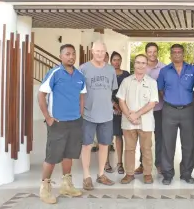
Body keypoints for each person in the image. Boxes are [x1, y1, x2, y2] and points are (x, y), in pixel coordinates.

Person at [37, 44, 85, 204]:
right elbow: (41, 95)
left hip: (75, 122)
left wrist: (81, 114)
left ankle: (66, 185)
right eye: (67, 54)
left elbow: (81, 96)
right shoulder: (54, 73)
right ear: (61, 56)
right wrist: (48, 117)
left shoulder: (79, 76)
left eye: (73, 54)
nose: (71, 57)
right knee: (52, 156)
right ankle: (45, 187)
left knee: (69, 154)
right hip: (58, 123)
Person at [158, 44, 194, 185]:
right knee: (168, 144)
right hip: (169, 110)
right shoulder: (164, 71)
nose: (176, 54)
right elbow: (161, 90)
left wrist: (189, 103)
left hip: (188, 110)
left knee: (188, 144)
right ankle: (167, 174)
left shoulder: (192, 70)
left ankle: (186, 173)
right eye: (174, 52)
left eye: (179, 52)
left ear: (183, 54)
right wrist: (171, 100)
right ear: (170, 55)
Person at [79, 41, 118, 189]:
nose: (100, 54)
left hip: (106, 114)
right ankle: (86, 176)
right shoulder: (83, 69)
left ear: (105, 52)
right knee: (87, 146)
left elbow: (111, 91)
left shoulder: (110, 70)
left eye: (102, 51)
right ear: (92, 51)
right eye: (97, 51)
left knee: (104, 145)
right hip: (88, 114)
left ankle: (101, 174)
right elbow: (79, 92)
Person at [117, 54, 159, 184]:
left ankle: (147, 173)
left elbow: (152, 103)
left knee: (146, 149)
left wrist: (137, 114)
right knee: (129, 149)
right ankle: (129, 174)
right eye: (138, 62)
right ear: (134, 64)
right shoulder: (126, 81)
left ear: (146, 66)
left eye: (143, 63)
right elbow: (121, 100)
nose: (140, 65)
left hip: (145, 122)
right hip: (128, 123)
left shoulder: (152, 82)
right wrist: (130, 116)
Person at [134, 42, 165, 176]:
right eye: (149, 52)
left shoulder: (163, 68)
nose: (152, 54)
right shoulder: (141, 67)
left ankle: (159, 164)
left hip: (159, 109)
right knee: (144, 138)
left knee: (160, 138)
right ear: (146, 53)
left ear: (157, 52)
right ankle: (142, 164)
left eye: (154, 51)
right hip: (143, 110)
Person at [104, 52, 130, 176]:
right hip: (109, 108)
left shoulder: (126, 75)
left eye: (119, 60)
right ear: (111, 61)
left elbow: (129, 91)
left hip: (122, 109)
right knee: (107, 137)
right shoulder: (107, 74)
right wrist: (114, 105)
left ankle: (120, 163)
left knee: (119, 136)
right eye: (114, 60)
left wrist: (122, 106)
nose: (116, 62)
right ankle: (106, 162)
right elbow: (104, 91)